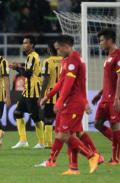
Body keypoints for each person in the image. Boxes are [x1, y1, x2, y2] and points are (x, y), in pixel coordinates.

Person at [39, 35, 100, 174]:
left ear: (66, 46)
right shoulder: (67, 60)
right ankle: (73, 168)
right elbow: (60, 83)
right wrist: (48, 96)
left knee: (63, 135)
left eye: (58, 49)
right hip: (70, 102)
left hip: (73, 103)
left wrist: (59, 102)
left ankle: (92, 156)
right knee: (69, 134)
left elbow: (69, 84)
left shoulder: (74, 60)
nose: (58, 52)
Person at [9, 35, 45, 149]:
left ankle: (42, 142)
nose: (24, 45)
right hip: (27, 90)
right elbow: (29, 69)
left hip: (33, 90)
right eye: (23, 43)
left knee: (35, 117)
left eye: (26, 43)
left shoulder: (32, 56)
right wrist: (19, 66)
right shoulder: (31, 56)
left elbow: (27, 74)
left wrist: (16, 68)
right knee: (17, 113)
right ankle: (23, 140)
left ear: (32, 45)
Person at [92, 29, 120, 165]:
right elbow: (110, 79)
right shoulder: (109, 56)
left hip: (114, 98)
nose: (100, 43)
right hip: (105, 98)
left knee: (115, 126)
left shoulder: (118, 55)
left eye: (102, 40)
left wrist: (117, 98)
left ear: (109, 40)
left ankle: (116, 158)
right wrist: (99, 94)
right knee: (97, 124)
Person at [39, 42, 62, 148]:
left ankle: (48, 143)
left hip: (51, 95)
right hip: (62, 95)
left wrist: (41, 94)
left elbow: (46, 79)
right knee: (62, 119)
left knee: (48, 119)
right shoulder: (64, 60)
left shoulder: (48, 61)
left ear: (49, 50)